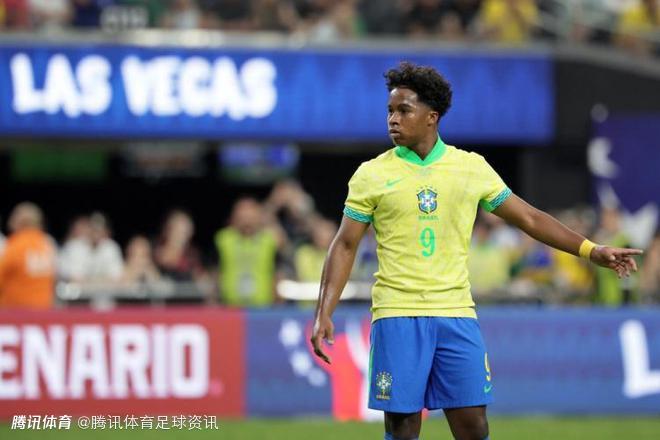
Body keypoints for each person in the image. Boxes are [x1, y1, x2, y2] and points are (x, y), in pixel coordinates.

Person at [310, 62, 642, 440]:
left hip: (456, 314)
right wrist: (324, 312)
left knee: (473, 425)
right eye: (390, 111)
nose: (393, 119)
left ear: (432, 117)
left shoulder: (470, 168)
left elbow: (529, 218)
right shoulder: (371, 174)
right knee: (402, 428)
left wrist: (590, 250)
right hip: (397, 313)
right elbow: (345, 244)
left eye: (404, 110)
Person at [0, 202, 56, 309]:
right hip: (44, 309)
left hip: (16, 310)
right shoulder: (47, 243)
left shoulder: (15, 245)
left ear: (21, 221)